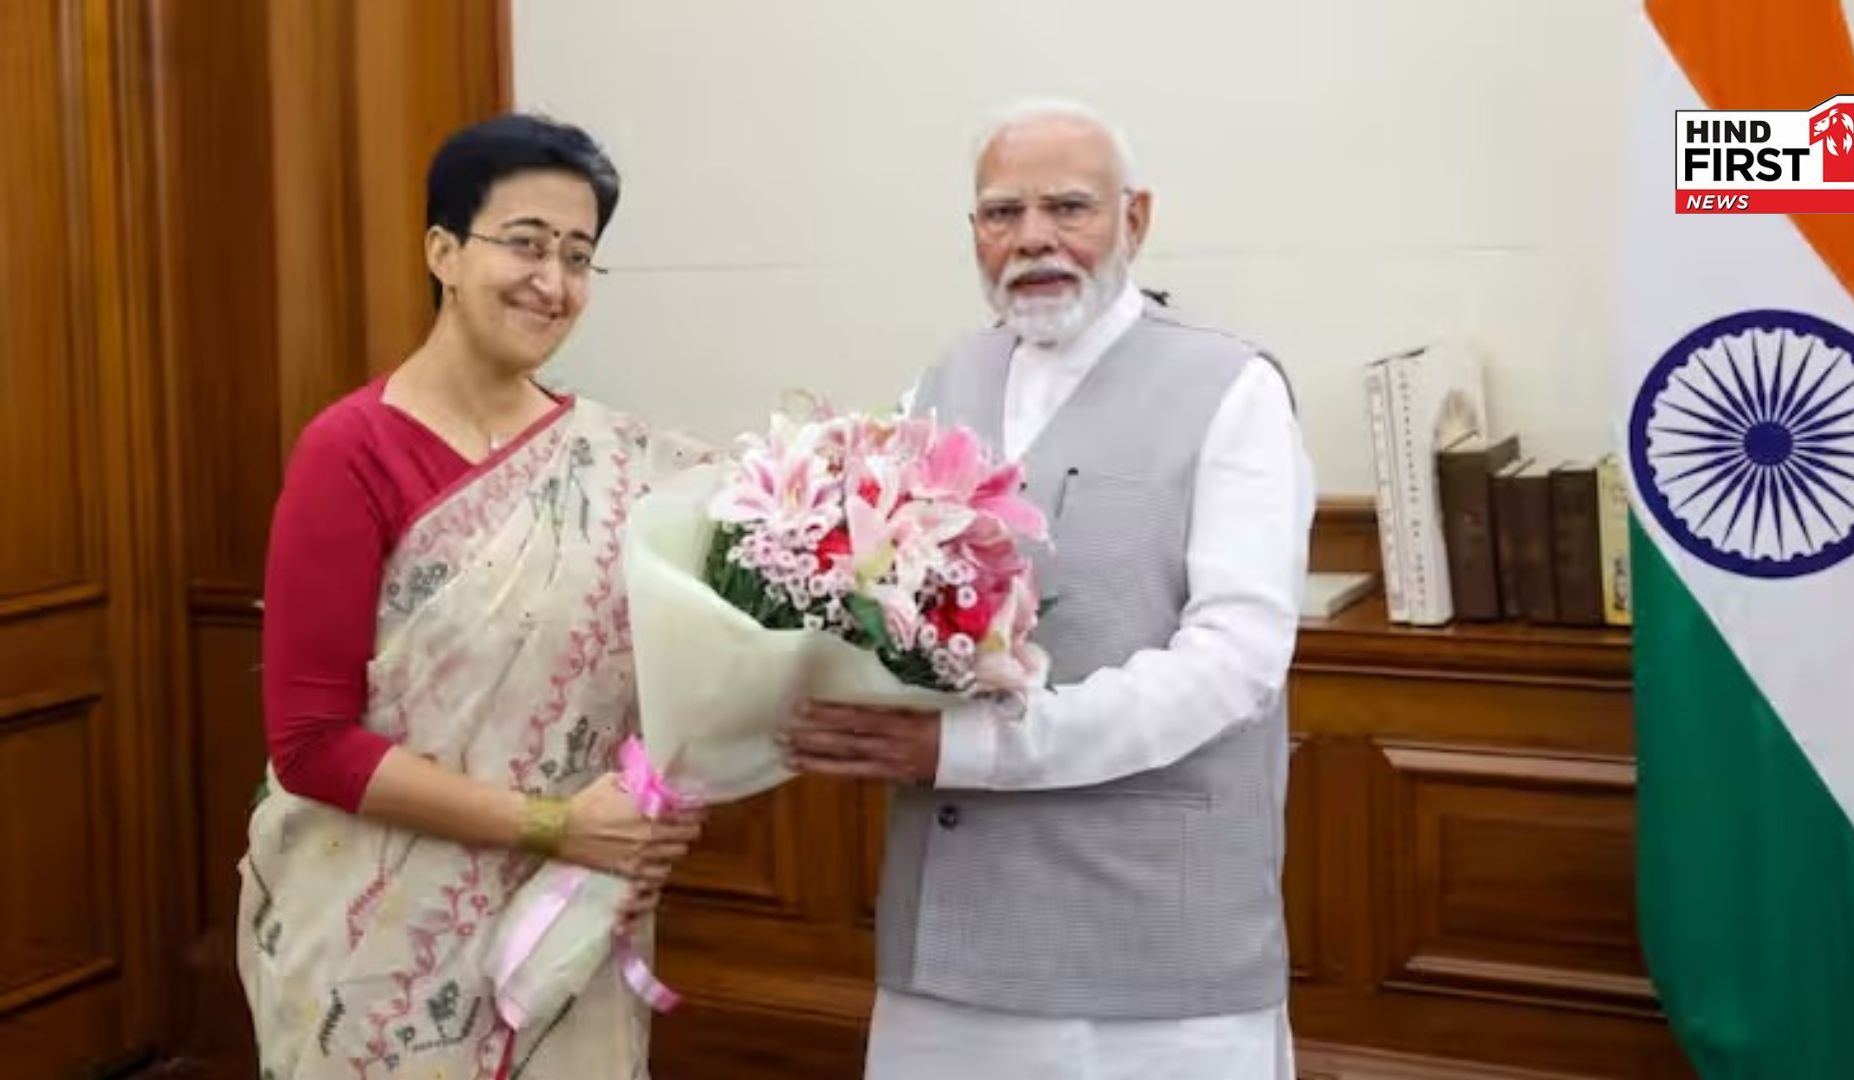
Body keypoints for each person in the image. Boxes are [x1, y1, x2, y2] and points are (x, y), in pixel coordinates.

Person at [782, 99, 1316, 1079]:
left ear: (1134, 219)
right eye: (1002, 213)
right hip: (951, 943)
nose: (1033, 238)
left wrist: (981, 748)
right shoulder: (938, 386)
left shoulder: (1232, 387)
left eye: (1069, 207)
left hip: (1152, 953)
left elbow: (1235, 665)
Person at [238, 113, 702, 1079]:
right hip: (381, 947)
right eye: (525, 243)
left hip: (566, 922)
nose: (553, 281)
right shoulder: (350, 451)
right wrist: (553, 823)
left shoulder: (618, 463)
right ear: (443, 253)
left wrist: (658, 803)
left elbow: (676, 687)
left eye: (578, 256)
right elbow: (310, 742)